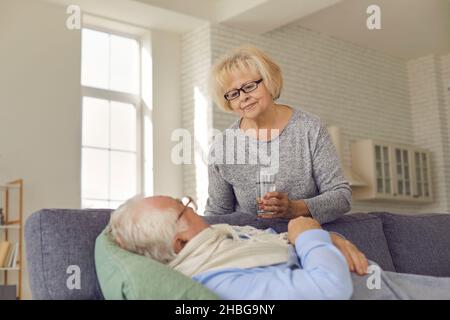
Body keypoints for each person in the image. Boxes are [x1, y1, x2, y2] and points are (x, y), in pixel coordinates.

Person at [106, 195, 450, 300]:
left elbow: (280, 237)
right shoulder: (222, 283)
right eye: (186, 210)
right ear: (180, 243)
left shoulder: (222, 241)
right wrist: (309, 233)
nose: (197, 210)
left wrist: (326, 235)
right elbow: (329, 288)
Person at [206, 45, 351, 224]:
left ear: (269, 81)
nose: (243, 98)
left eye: (249, 87)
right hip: (252, 243)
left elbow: (341, 197)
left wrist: (294, 208)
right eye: (233, 94)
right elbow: (217, 213)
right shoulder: (223, 145)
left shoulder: (309, 128)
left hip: (306, 236)